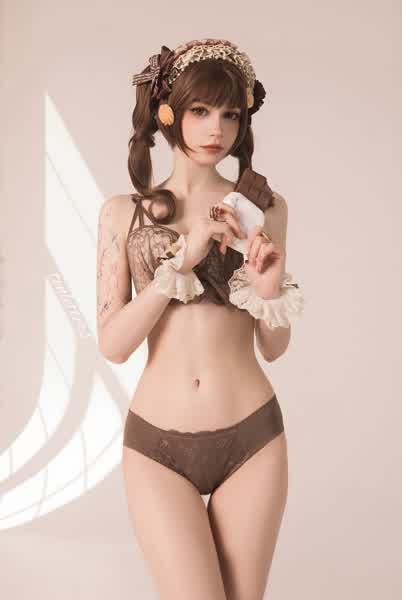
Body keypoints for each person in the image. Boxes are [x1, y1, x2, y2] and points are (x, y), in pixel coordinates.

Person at [96, 38, 304, 600]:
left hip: (252, 437)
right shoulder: (123, 213)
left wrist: (267, 288)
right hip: (156, 447)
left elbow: (274, 347)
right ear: (168, 113)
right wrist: (179, 265)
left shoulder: (263, 208)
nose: (217, 128)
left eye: (230, 114)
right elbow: (114, 345)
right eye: (201, 111)